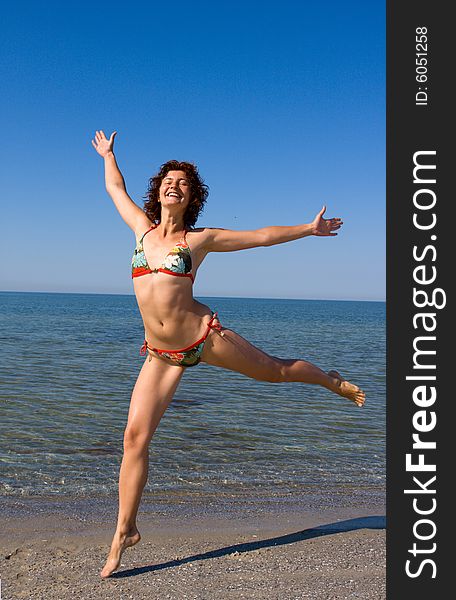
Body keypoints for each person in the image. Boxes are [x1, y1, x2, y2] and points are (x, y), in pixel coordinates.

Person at [91, 130, 366, 578]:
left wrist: (308, 229)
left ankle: (328, 379)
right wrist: (108, 155)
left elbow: (259, 236)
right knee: (133, 439)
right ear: (158, 190)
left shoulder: (200, 241)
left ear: (191, 196)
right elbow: (114, 188)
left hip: (203, 336)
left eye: (182, 182)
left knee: (276, 372)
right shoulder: (140, 231)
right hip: (161, 353)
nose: (173, 185)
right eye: (168, 180)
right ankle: (125, 531)